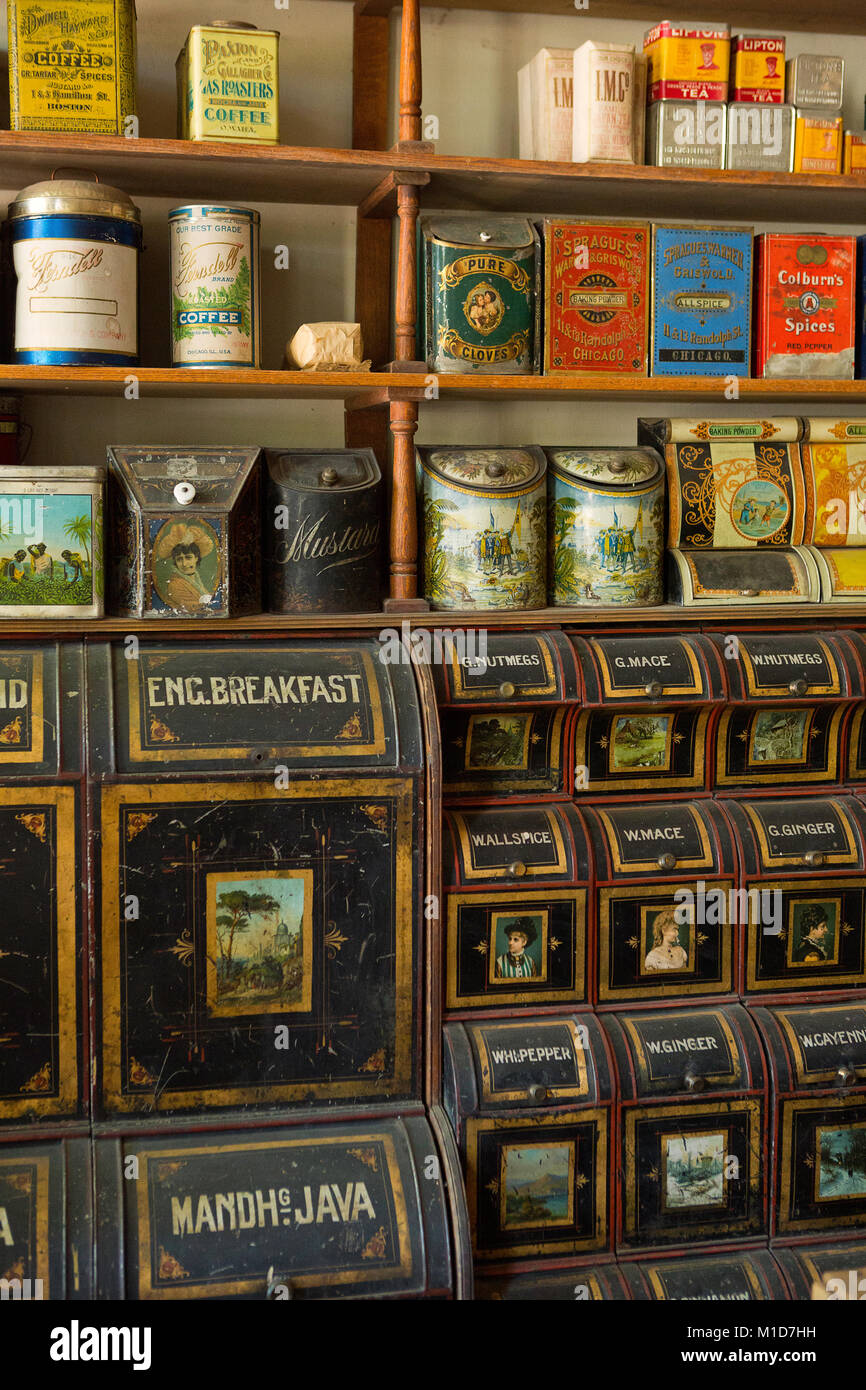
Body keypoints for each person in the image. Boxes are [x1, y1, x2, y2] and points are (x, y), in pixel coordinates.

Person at [644, 907, 689, 971]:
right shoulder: (653, 956)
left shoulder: (681, 951)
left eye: (678, 930)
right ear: (664, 931)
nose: (677, 933)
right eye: (674, 929)